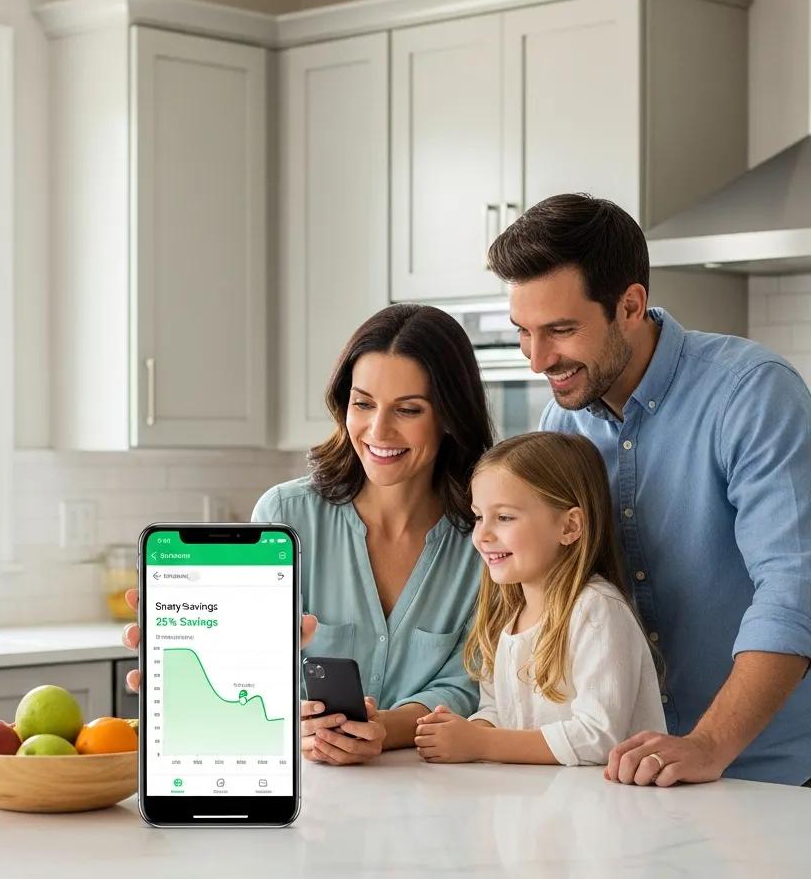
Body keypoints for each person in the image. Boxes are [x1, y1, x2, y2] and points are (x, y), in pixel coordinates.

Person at [485, 192, 811, 786]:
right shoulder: (562, 423)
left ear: (630, 305)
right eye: (524, 332)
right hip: (627, 777)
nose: (537, 361)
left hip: (768, 775)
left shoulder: (752, 394)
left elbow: (794, 587)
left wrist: (709, 744)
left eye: (560, 330)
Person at [123, 303, 494, 765]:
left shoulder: (485, 539)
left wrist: (381, 730)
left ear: (449, 416)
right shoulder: (286, 516)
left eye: (408, 409)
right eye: (363, 404)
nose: (378, 430)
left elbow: (468, 681)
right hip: (297, 789)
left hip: (435, 791)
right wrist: (198, 661)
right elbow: (248, 672)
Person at [414, 431, 665, 765]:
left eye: (504, 517)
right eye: (478, 516)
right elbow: (496, 710)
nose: (483, 535)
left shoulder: (597, 610)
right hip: (542, 807)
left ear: (569, 526)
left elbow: (600, 737)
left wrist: (481, 743)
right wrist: (467, 729)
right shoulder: (504, 617)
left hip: (608, 811)